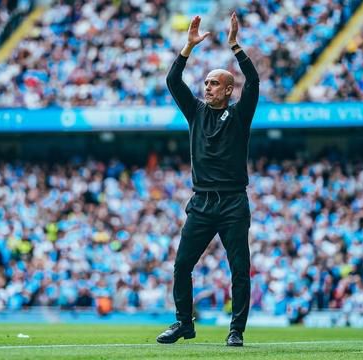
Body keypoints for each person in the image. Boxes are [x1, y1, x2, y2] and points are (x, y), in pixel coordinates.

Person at [156, 12, 259, 347]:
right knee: (182, 265)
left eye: (214, 83)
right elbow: (174, 82)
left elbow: (254, 83)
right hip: (201, 202)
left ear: (228, 89)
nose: (207, 87)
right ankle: (184, 323)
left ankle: (236, 330)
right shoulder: (196, 112)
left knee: (239, 270)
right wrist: (187, 46)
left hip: (232, 202)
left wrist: (235, 46)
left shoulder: (240, 115)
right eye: (207, 83)